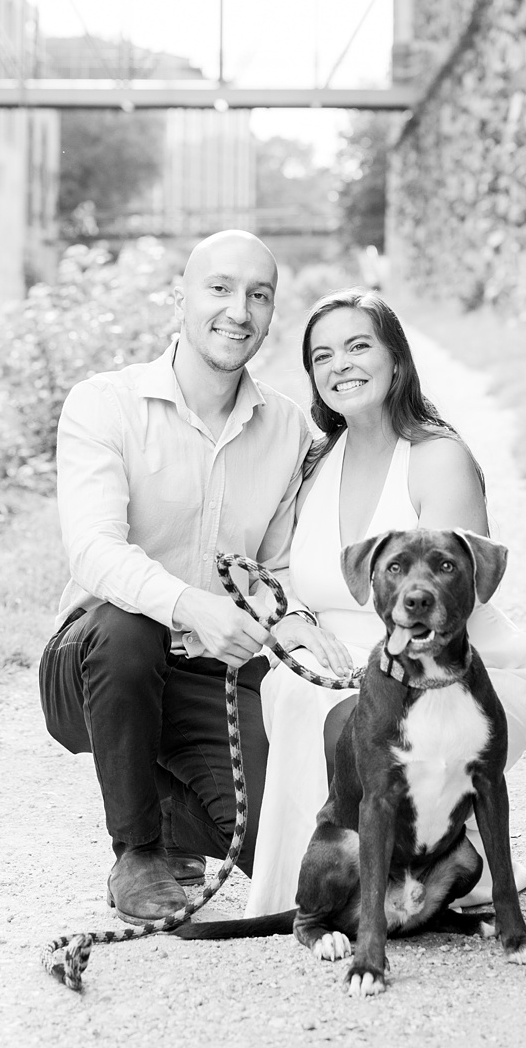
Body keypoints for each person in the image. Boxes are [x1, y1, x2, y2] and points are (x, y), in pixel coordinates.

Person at [38, 231, 352, 925]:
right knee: (129, 625)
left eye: (258, 295)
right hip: (96, 664)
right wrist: (189, 606)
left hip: (216, 675)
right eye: (220, 288)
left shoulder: (288, 428)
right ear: (180, 295)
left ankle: (175, 817)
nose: (238, 310)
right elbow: (92, 550)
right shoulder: (104, 403)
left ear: (271, 314)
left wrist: (291, 618)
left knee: (297, 857)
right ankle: (138, 849)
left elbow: (275, 565)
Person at [244, 289, 526, 916]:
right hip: (330, 664)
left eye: (360, 346)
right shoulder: (316, 462)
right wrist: (297, 623)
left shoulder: (437, 458)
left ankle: (420, 870)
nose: (341, 365)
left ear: (397, 360)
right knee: (293, 690)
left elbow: (444, 603)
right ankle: (333, 886)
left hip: (441, 672)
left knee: (340, 709)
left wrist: (364, 666)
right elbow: (283, 574)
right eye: (322, 356)